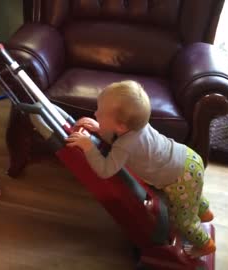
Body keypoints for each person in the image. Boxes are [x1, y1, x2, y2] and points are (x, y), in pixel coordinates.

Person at [66, 80, 215, 257]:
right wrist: (100, 128)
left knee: (182, 220)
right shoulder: (138, 124)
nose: (96, 113)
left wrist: (88, 147)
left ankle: (205, 244)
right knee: (192, 194)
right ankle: (204, 212)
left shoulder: (124, 144)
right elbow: (121, 139)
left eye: (100, 112)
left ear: (121, 126)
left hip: (179, 177)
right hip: (189, 159)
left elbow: (105, 170)